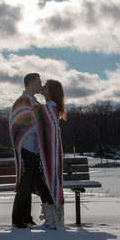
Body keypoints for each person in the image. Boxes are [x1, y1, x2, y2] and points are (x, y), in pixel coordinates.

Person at [9, 73, 45, 228]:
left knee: (28, 184)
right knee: (25, 184)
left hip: (33, 149)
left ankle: (26, 217)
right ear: (31, 83)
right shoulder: (22, 102)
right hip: (26, 148)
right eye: (38, 82)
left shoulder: (33, 101)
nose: (41, 85)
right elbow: (19, 124)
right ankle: (17, 219)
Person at [34, 79, 66, 229]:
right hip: (51, 151)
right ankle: (56, 216)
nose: (42, 86)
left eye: (45, 85)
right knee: (47, 180)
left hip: (50, 152)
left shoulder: (49, 109)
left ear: (51, 90)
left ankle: (52, 218)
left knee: (45, 180)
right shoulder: (48, 108)